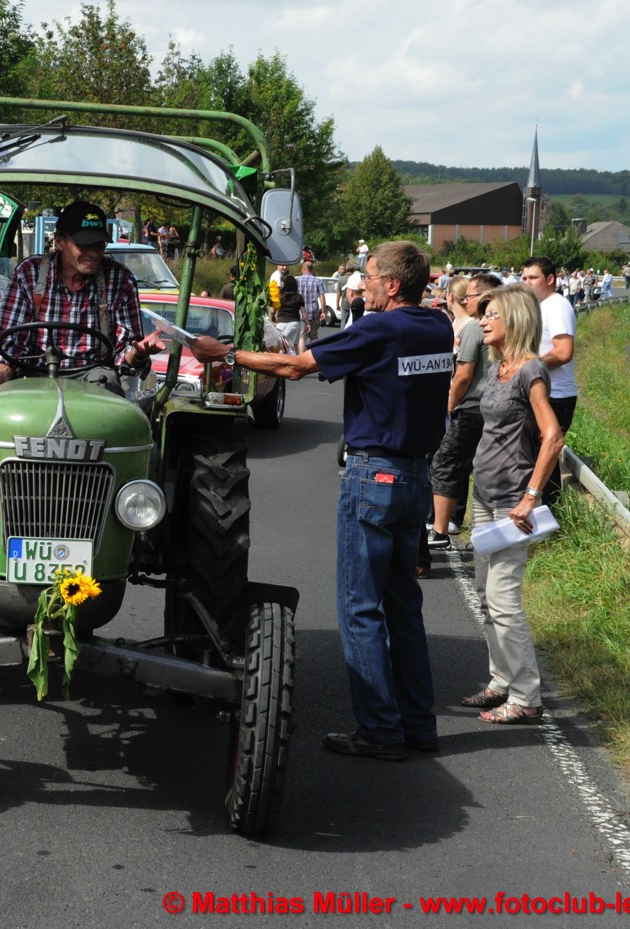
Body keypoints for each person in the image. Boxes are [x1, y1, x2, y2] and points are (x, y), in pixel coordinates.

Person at [191, 240, 453, 760]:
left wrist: (226, 354)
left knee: (359, 607)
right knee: (403, 604)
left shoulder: (380, 328)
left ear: (392, 285)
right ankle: (418, 724)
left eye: (369, 277)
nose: (363, 285)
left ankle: (379, 728)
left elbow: (295, 367)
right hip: (415, 476)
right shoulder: (437, 325)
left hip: (374, 473)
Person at [0, 200, 164, 430]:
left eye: (99, 245)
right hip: (29, 370)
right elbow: (9, 336)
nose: (93, 253)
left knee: (107, 379)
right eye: (84, 246)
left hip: (89, 374)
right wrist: (4, 369)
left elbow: (124, 352)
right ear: (59, 242)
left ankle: (96, 450)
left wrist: (137, 353)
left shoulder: (119, 279)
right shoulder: (30, 273)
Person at [461, 283, 564, 725]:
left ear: (515, 320)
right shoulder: (497, 367)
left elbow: (553, 436)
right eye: (482, 314)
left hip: (511, 505)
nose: (483, 320)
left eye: (492, 315)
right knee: (487, 597)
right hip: (484, 497)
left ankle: (527, 697)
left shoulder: (530, 370)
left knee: (503, 601)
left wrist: (530, 496)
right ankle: (501, 681)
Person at [428, 273, 499, 549]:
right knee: (482, 469)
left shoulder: (474, 328)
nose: (466, 300)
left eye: (470, 295)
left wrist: (450, 405)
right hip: (494, 407)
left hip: (470, 408)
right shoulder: (505, 324)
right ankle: (482, 531)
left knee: (445, 464)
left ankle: (440, 530)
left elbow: (463, 375)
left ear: (484, 296)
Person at [519, 257, 577, 509]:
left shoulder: (557, 306)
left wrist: (528, 368)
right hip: (542, 391)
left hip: (556, 395)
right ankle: (544, 515)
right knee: (537, 459)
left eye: (533, 277)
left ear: (550, 279)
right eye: (524, 277)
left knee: (544, 459)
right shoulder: (541, 306)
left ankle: (550, 514)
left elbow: (563, 352)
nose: (527, 282)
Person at [296, 260, 324, 349]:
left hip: (301, 313)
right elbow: (322, 297)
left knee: (302, 337)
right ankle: (313, 355)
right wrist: (323, 311)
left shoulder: (297, 281)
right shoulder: (318, 281)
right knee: (314, 336)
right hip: (313, 312)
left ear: (303, 269)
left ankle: (301, 355)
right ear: (312, 270)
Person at [271, 275, 304, 346]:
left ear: (284, 284)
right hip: (294, 323)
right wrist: (307, 323)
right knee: (294, 346)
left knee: (281, 346)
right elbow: (303, 312)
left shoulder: (279, 296)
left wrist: (273, 316)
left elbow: (274, 310)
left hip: (281, 323)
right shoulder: (298, 297)